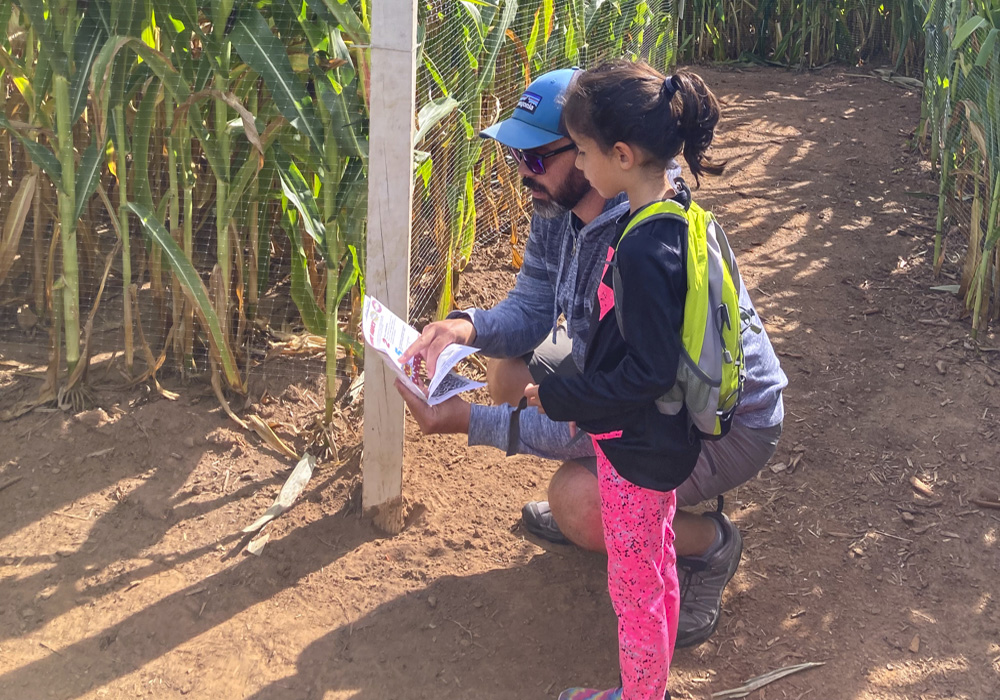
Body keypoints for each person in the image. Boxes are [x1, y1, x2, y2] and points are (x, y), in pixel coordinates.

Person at [397, 67, 787, 653]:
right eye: (516, 159)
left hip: (723, 426)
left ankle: (707, 542)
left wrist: (468, 422)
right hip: (645, 390)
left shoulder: (642, 247)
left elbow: (619, 398)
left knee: (576, 504)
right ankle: (623, 505)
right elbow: (533, 307)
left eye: (539, 158)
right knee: (507, 369)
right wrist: (464, 327)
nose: (523, 174)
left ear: (606, 155)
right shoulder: (562, 204)